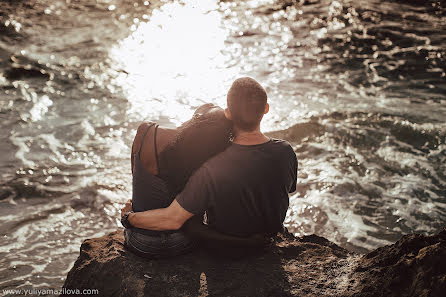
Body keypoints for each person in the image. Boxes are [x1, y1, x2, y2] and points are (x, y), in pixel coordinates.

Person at [121, 77, 298, 249]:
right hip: (268, 242)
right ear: (266, 109)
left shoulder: (214, 166)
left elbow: (173, 218)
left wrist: (129, 218)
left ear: (228, 113)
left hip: (225, 251)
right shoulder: (286, 151)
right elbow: (284, 190)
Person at [122, 103, 264, 258]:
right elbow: (194, 226)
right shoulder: (211, 162)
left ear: (197, 117)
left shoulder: (147, 131)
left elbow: (137, 177)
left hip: (140, 242)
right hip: (182, 242)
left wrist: (128, 217)